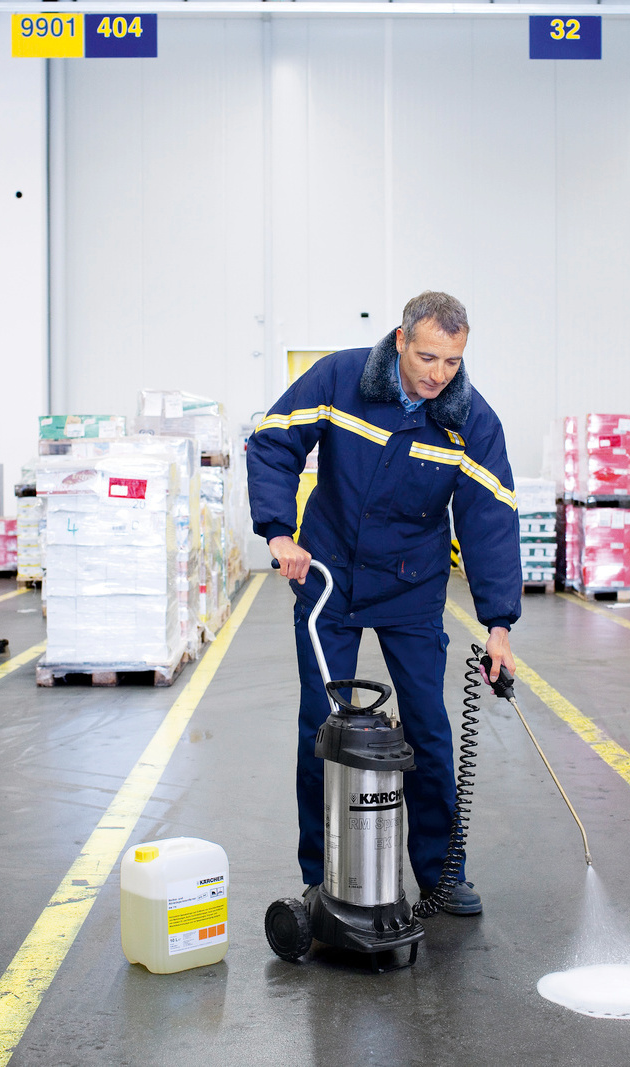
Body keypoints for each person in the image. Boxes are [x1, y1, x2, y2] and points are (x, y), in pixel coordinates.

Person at [246, 291, 522, 915]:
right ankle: (322, 877)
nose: (438, 374)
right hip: (330, 577)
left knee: (427, 728)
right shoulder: (341, 378)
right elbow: (272, 441)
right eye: (427, 357)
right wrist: (279, 533)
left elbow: (490, 518)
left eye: (452, 361)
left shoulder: (470, 420)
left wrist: (498, 623)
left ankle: (442, 874)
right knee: (323, 728)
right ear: (400, 340)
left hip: (411, 585)